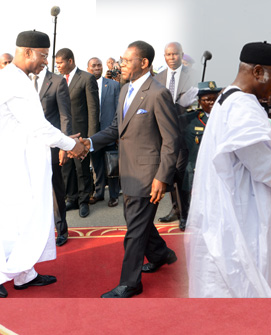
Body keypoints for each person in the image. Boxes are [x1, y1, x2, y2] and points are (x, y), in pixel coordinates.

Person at [0, 30, 87, 298]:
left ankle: (23, 274)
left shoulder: (16, 78)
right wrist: (71, 144)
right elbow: (38, 126)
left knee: (19, 218)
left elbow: (32, 125)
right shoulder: (12, 82)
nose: (45, 62)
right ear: (27, 52)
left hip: (16, 163)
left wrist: (66, 138)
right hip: (2, 167)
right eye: (42, 56)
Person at [186, 41, 271, 298]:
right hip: (246, 212)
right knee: (251, 276)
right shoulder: (242, 106)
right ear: (257, 71)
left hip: (233, 203)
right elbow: (264, 168)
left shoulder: (227, 97)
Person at [83, 40, 181, 298]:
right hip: (127, 172)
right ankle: (162, 254)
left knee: (135, 230)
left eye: (127, 60)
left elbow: (172, 140)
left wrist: (162, 176)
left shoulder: (158, 93)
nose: (122, 64)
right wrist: (89, 142)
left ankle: (130, 283)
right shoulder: (125, 90)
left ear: (144, 63)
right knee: (138, 223)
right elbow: (116, 129)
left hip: (148, 176)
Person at [55, 48, 99, 219]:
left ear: (70, 61)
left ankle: (83, 201)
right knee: (66, 168)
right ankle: (72, 198)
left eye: (60, 63)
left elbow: (93, 110)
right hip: (63, 134)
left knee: (82, 169)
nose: (57, 66)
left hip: (81, 135)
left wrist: (91, 138)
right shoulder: (58, 80)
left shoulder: (86, 78)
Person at [155, 41, 193, 228]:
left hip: (185, 134)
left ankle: (185, 213)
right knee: (170, 172)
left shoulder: (191, 76)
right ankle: (175, 209)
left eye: (175, 54)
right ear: (164, 56)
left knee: (181, 173)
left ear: (181, 54)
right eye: (168, 55)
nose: (172, 58)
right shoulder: (158, 78)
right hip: (163, 135)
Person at [33, 65, 72, 246]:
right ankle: (37, 231)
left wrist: (64, 147)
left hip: (52, 146)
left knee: (56, 190)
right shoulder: (22, 81)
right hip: (29, 146)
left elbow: (65, 116)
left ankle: (61, 229)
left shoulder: (57, 81)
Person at [178, 80, 221, 227]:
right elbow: (171, 120)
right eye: (207, 99)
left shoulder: (223, 118)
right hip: (195, 166)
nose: (211, 102)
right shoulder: (191, 119)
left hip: (217, 168)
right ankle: (186, 217)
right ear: (199, 101)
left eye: (215, 99)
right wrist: (181, 106)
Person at [87, 57, 121, 208]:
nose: (97, 68)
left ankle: (114, 195)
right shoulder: (86, 85)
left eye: (99, 65)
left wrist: (118, 133)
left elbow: (118, 110)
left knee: (112, 164)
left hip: (110, 132)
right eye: (93, 65)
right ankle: (99, 193)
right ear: (88, 68)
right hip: (93, 134)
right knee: (97, 165)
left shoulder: (113, 85)